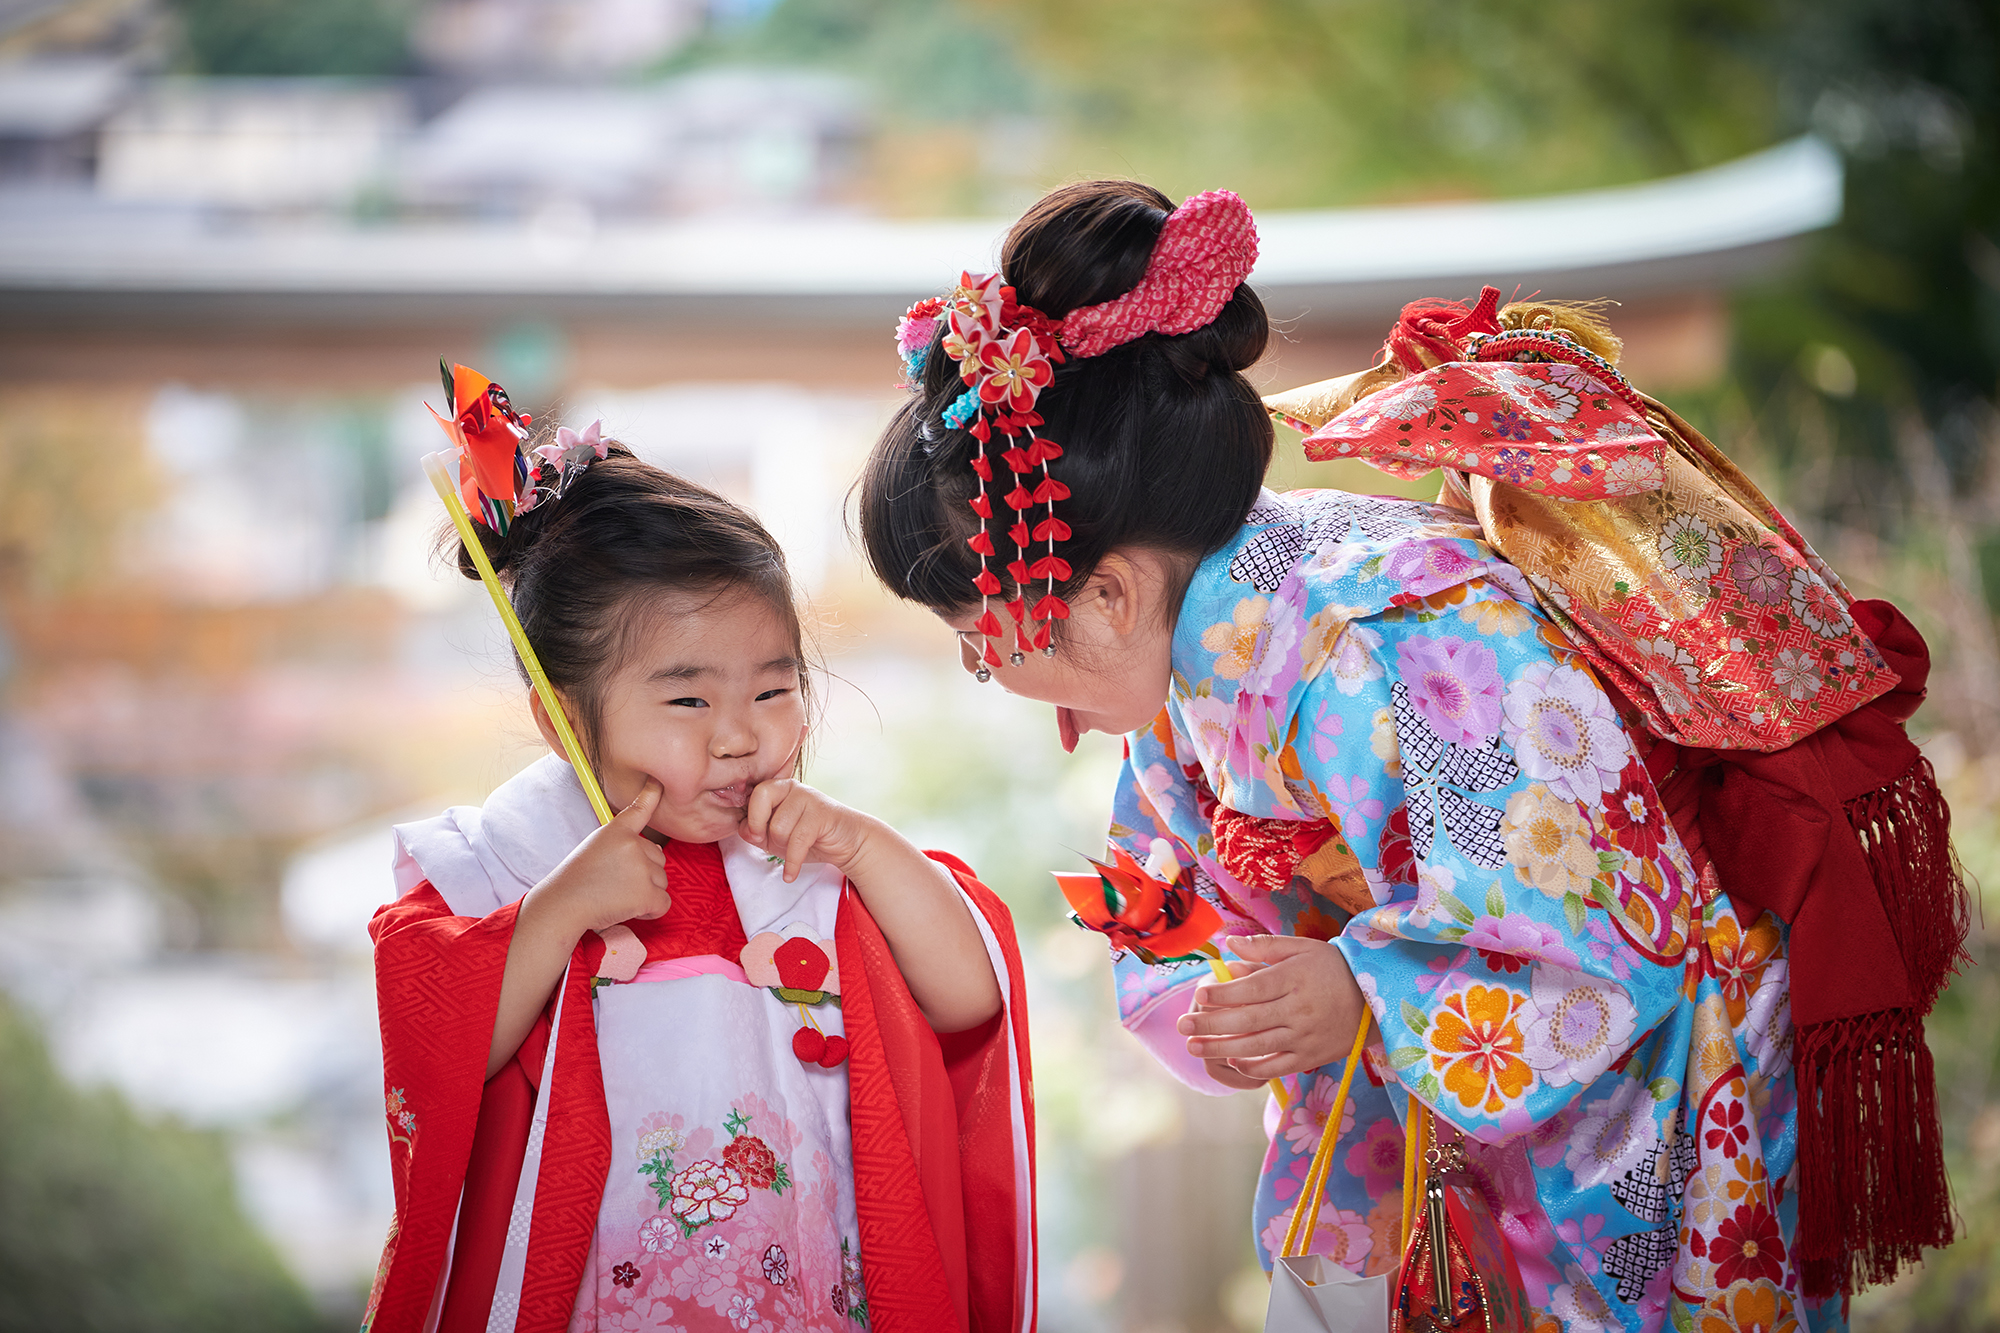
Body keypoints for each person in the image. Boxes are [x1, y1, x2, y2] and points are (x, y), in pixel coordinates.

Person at [856, 180, 1944, 1332]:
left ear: (1109, 593)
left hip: (1621, 1100)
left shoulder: (1398, 632)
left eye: (985, 649)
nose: (1000, 679)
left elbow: (1588, 933)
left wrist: (1359, 988)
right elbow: (1174, 898)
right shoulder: (1190, 665)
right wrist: (1223, 999)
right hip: (1409, 1112)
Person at [365, 438, 1036, 1333]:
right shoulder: (496, 866)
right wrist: (559, 907)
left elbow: (968, 1000)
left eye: (773, 690)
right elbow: (440, 1051)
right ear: (563, 714)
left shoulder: (815, 857)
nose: (739, 737)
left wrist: (869, 849)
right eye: (688, 701)